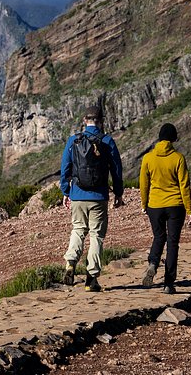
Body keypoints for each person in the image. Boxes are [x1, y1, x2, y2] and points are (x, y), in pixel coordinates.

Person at [60, 104, 124, 292]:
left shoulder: (73, 141)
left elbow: (65, 169)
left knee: (78, 229)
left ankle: (71, 262)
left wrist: (66, 192)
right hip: (99, 197)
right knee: (96, 235)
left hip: (78, 195)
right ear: (102, 121)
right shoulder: (107, 141)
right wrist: (118, 193)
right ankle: (91, 279)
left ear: (83, 120)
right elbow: (117, 170)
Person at [140, 123, 191, 294]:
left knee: (158, 236)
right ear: (173, 138)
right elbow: (184, 185)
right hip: (175, 205)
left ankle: (153, 263)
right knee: (173, 242)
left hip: (154, 205)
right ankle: (168, 283)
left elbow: (144, 184)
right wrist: (189, 209)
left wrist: (143, 204)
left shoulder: (148, 158)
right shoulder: (178, 158)